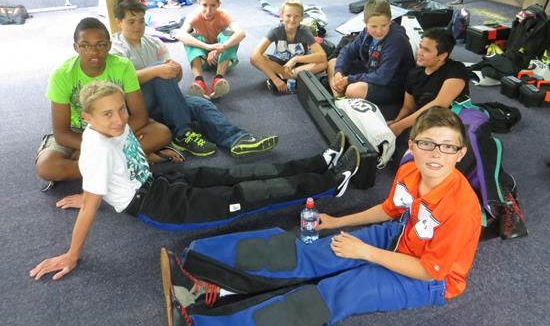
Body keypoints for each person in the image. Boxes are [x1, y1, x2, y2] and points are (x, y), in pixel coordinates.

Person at [159, 106, 482, 326]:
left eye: (447, 147)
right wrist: (337, 223)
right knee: (313, 251)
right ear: (411, 145)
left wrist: (366, 252)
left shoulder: (461, 208)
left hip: (433, 280)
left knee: (338, 292)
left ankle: (204, 315)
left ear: (461, 153)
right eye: (427, 144)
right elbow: (389, 209)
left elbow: (427, 270)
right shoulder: (410, 168)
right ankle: (200, 267)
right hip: (400, 233)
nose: (436, 154)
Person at [29, 81, 361, 281]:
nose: (119, 119)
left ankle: (320, 161)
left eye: (121, 109)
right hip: (160, 207)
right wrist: (73, 251)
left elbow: (121, 161)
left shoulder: (113, 126)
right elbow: (91, 197)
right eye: (108, 114)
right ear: (87, 117)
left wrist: (98, 191)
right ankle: (330, 183)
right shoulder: (95, 150)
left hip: (159, 181)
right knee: (247, 193)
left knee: (237, 173)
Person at [110, 0, 278, 157]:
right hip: (137, 107)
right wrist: (157, 71)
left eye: (141, 21)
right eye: (131, 22)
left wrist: (176, 71)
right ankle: (182, 132)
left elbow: (174, 78)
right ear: (119, 22)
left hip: (165, 101)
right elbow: (120, 83)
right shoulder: (115, 48)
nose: (138, 26)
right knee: (159, 69)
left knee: (201, 104)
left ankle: (237, 139)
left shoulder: (154, 43)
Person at [35, 17, 179, 196]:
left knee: (161, 133)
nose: (94, 52)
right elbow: (61, 133)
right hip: (77, 131)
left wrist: (101, 145)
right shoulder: (61, 75)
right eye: (85, 45)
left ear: (109, 46)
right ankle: (128, 160)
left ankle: (100, 165)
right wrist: (91, 145)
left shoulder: (122, 66)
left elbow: (140, 115)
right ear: (76, 47)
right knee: (47, 167)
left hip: (115, 125)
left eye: (101, 45)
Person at [328, 0, 415, 104]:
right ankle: (338, 100)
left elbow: (383, 77)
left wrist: (349, 79)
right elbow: (347, 51)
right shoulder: (366, 32)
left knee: (353, 90)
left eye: (384, 25)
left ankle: (344, 103)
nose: (379, 31)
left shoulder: (397, 39)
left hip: (392, 84)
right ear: (365, 23)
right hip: (371, 71)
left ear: (390, 21)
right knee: (333, 63)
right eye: (373, 26)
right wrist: (339, 73)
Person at [387, 28, 469, 138]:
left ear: (442, 56)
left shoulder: (456, 70)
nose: (419, 52)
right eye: (420, 47)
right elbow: (409, 107)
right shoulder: (414, 73)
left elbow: (439, 105)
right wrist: (396, 122)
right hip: (424, 120)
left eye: (426, 50)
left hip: (449, 123)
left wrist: (400, 126)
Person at [176, 0, 246, 99]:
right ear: (199, 3)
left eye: (213, 5)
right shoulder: (194, 15)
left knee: (230, 36)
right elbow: (179, 34)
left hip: (222, 59)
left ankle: (218, 78)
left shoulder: (224, 14)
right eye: (204, 5)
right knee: (189, 38)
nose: (208, 11)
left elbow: (241, 33)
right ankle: (199, 81)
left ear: (219, 4)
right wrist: (208, 47)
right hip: (203, 60)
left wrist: (222, 47)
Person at [250, 0, 327, 94]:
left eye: (296, 16)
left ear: (302, 18)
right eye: (288, 16)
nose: (292, 20)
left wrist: (295, 59)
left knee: (323, 63)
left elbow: (322, 56)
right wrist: (274, 79)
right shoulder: (276, 30)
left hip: (299, 64)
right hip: (280, 63)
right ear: (281, 16)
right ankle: (289, 76)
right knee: (255, 59)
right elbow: (255, 55)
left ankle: (285, 76)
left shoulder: (304, 31)